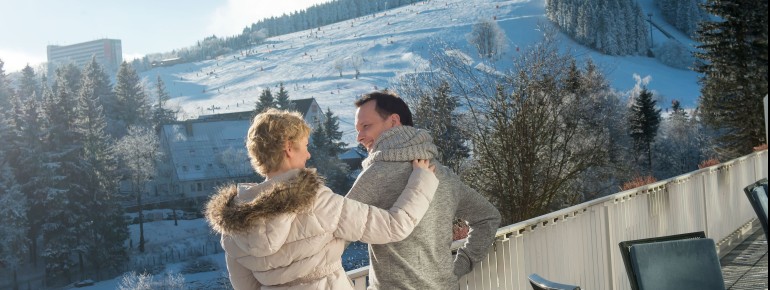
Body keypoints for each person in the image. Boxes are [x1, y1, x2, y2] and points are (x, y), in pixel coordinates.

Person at [204, 108, 439, 290]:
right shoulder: (316, 201)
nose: (308, 154)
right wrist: (422, 179)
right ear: (288, 148)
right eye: (305, 146)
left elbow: (245, 287)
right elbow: (394, 226)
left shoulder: (234, 223)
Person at [347, 90, 501, 289]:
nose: (359, 137)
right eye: (357, 129)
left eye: (366, 126)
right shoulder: (442, 174)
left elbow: (333, 231)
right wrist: (459, 266)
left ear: (394, 121)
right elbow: (488, 217)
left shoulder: (376, 174)